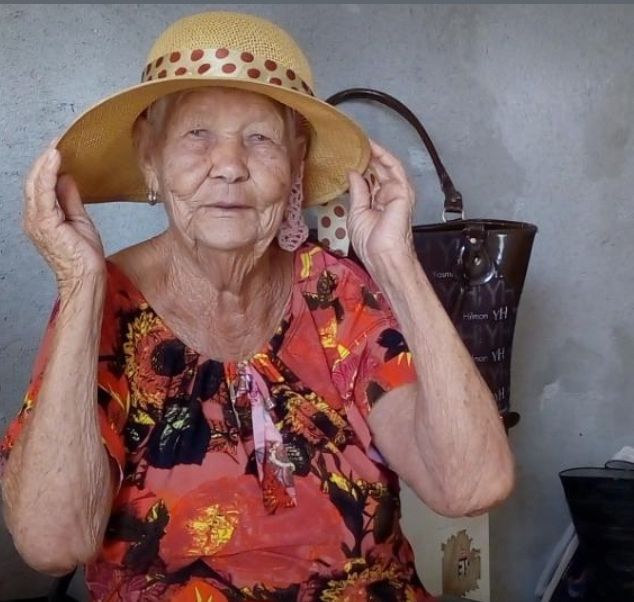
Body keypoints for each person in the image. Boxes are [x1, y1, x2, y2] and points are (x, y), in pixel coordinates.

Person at [0, 11, 514, 601]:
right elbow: (52, 544)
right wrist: (79, 283)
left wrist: (395, 264)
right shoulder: (105, 303)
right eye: (197, 134)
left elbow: (471, 486)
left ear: (296, 162)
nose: (230, 166)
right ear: (149, 155)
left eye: (260, 138)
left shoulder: (334, 294)